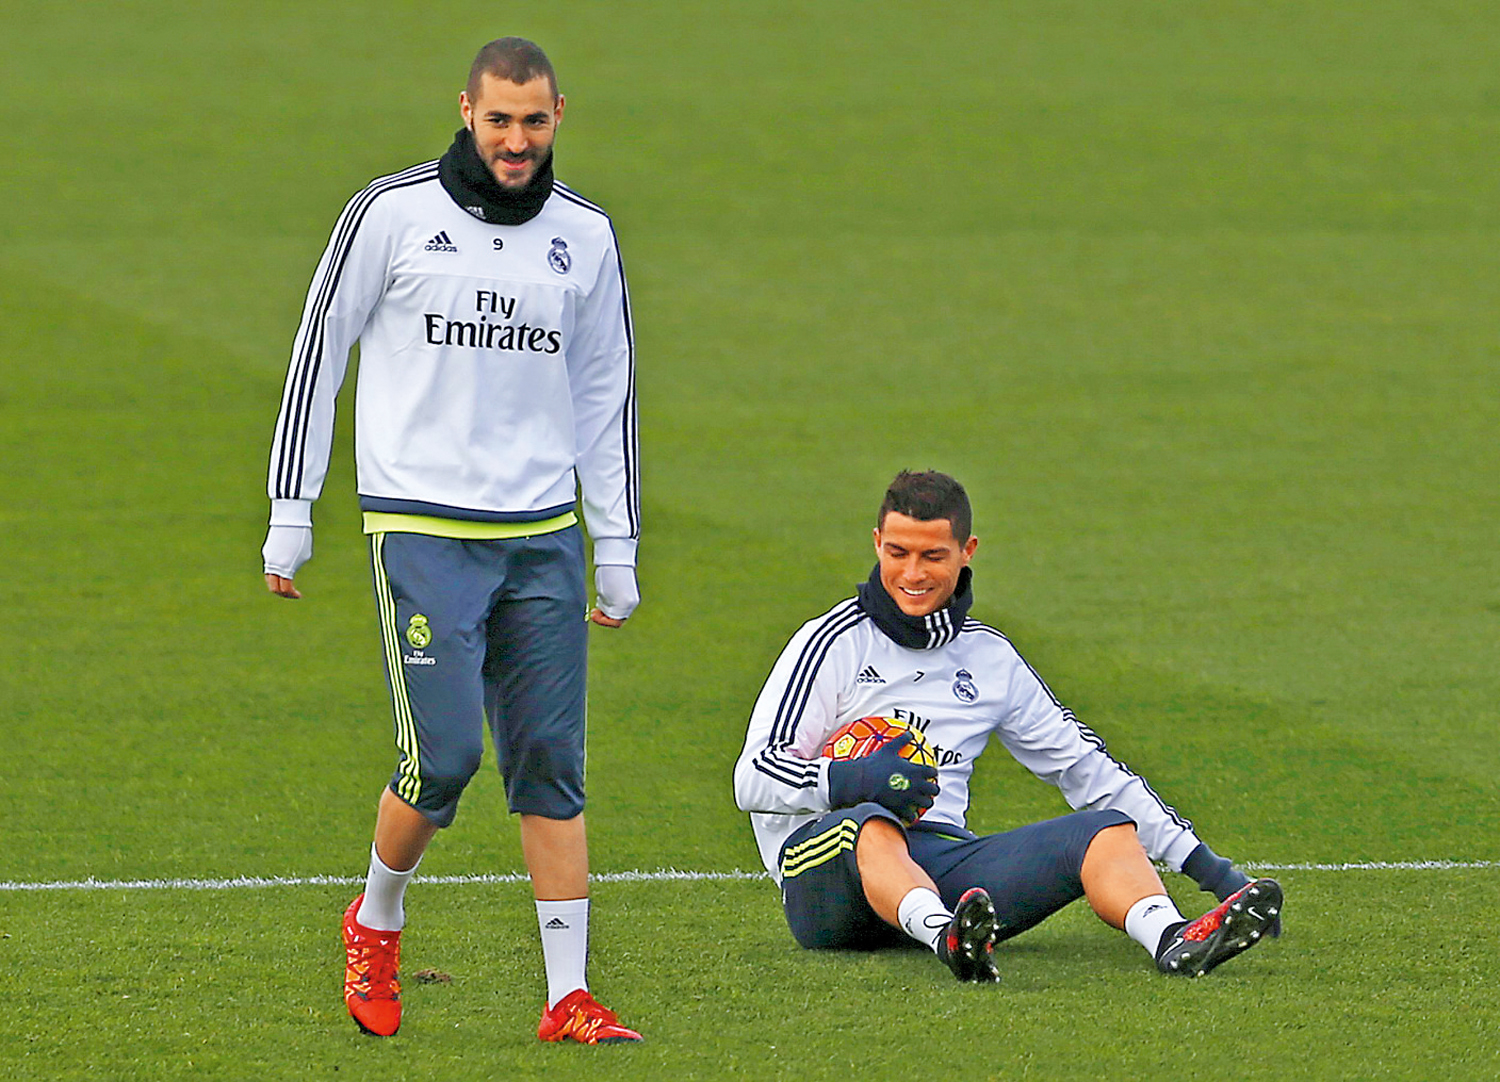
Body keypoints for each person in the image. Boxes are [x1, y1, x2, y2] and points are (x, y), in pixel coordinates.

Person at [261, 37, 642, 1043]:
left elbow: (606, 394)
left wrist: (616, 544)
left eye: (534, 121)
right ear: (466, 111)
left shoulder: (586, 236)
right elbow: (317, 355)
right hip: (422, 528)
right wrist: (292, 511)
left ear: (560, 114)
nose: (517, 141)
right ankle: (376, 916)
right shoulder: (389, 214)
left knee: (550, 759)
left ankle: (567, 995)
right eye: (499, 120)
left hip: (543, 533)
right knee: (444, 757)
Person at [733, 470, 1282, 982]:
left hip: (941, 863)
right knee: (870, 822)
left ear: (967, 551)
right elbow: (751, 777)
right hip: (828, 882)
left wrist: (1211, 870)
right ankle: (946, 935)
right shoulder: (831, 643)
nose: (913, 574)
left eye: (932, 556)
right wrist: (846, 781)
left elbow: (1085, 769)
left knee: (1106, 828)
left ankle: (1172, 938)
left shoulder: (990, 659)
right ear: (877, 543)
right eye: (897, 553)